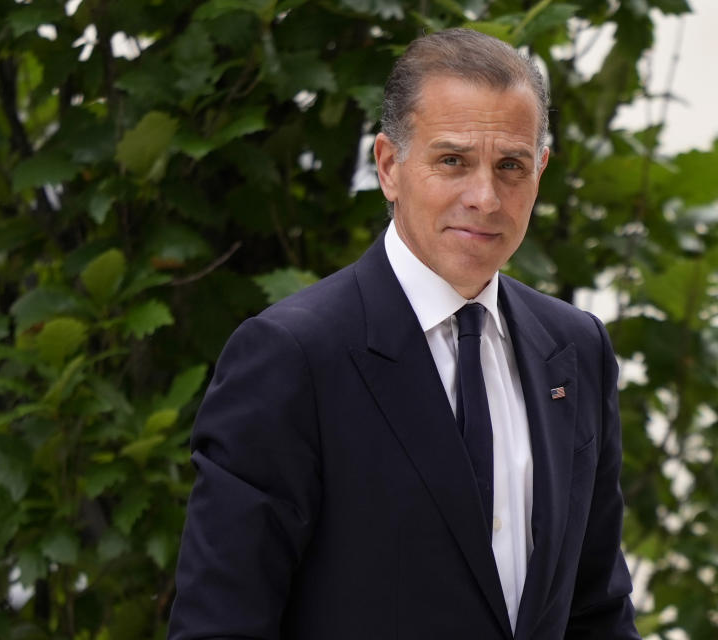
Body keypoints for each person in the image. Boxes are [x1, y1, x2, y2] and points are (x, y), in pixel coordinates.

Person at [168, 28, 640, 639]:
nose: (486, 197)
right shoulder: (292, 356)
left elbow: (597, 612)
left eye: (511, 166)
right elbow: (220, 625)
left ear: (540, 170)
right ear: (390, 166)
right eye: (453, 160)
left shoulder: (575, 348)